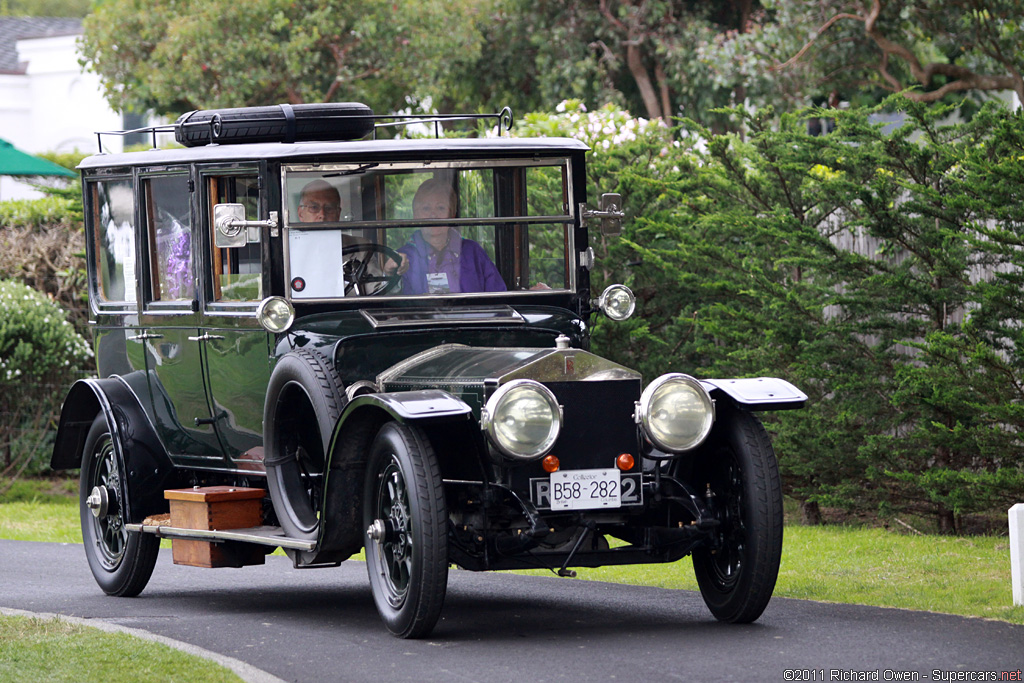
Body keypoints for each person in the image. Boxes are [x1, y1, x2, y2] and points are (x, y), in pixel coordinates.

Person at [391, 178, 505, 295]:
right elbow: (390, 305)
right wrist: (390, 273)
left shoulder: (473, 252)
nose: (433, 215)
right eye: (426, 208)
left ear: (452, 214)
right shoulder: (403, 258)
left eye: (440, 208)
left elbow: (499, 297)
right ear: (415, 214)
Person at [293, 179, 392, 296]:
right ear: (300, 214)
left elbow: (377, 294)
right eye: (314, 207)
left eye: (329, 208)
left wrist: (388, 273)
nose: (322, 215)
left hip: (350, 313)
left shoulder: (361, 247)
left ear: (338, 213)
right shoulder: (287, 250)